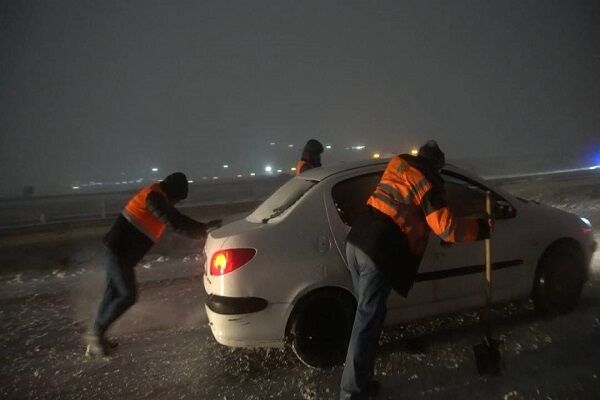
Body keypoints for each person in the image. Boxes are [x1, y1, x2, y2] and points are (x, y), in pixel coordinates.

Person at [339, 140, 491, 399]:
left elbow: (404, 207)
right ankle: (352, 393)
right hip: (379, 252)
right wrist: (480, 228)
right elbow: (448, 228)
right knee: (366, 323)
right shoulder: (428, 182)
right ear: (437, 166)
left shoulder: (398, 167)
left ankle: (361, 382)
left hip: (357, 242)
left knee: (367, 320)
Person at [84, 172, 220, 357]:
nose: (176, 203)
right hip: (118, 251)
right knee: (127, 295)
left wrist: (201, 227)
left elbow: (175, 216)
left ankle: (96, 337)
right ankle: (96, 335)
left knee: (113, 293)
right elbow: (174, 221)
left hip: (119, 251)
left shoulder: (158, 195)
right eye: (177, 199)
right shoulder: (154, 197)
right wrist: (203, 230)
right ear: (172, 191)